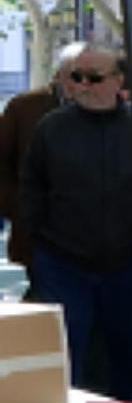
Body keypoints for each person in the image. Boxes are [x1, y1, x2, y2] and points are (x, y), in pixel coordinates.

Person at [18, 42, 132, 402]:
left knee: (128, 353)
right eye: (76, 77)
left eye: (94, 77)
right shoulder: (51, 128)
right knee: (67, 356)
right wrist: (38, 248)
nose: (84, 85)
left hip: (129, 262)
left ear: (118, 80)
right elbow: (31, 190)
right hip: (64, 263)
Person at [0, 43, 81, 296]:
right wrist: (21, 208)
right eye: (77, 76)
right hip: (39, 230)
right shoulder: (24, 107)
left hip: (95, 232)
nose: (85, 84)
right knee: (48, 295)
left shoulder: (107, 107)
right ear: (59, 74)